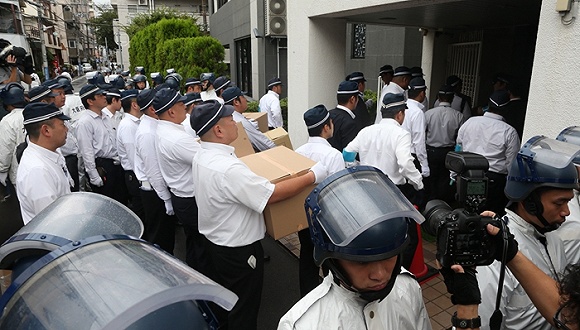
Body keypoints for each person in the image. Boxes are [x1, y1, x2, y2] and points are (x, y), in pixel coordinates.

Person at [190, 100, 328, 330]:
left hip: (217, 243)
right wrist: (312, 176)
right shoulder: (227, 167)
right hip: (238, 250)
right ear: (219, 130)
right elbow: (270, 194)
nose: (236, 123)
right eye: (230, 120)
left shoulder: (203, 154)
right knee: (244, 308)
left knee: (229, 303)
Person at [278, 167, 431, 329]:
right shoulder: (304, 325)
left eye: (388, 256)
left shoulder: (407, 287)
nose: (379, 275)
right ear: (333, 259)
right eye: (362, 263)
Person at [476, 136, 579, 330]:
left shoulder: (553, 238)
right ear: (528, 201)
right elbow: (481, 324)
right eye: (559, 203)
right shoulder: (495, 258)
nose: (567, 211)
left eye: (568, 201)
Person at [345, 92, 424, 271]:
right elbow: (405, 163)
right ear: (399, 114)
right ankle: (399, 274)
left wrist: (357, 168)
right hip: (393, 191)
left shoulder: (366, 131)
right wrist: (418, 183)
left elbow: (347, 153)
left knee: (376, 232)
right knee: (407, 238)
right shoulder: (401, 134)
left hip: (368, 188)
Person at [294, 104, 345, 297]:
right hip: (327, 219)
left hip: (303, 217)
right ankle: (331, 298)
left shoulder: (298, 151)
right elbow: (339, 193)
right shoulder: (334, 155)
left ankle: (307, 299)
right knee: (330, 260)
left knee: (307, 256)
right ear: (326, 127)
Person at [154, 87, 206, 272]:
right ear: (171, 111)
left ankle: (195, 278)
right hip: (191, 199)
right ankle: (205, 291)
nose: (185, 106)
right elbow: (207, 161)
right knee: (202, 248)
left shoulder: (165, 130)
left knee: (194, 243)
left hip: (181, 197)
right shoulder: (175, 138)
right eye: (181, 103)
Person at [457, 89, 520, 216]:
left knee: (467, 212)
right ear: (506, 109)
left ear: (488, 106)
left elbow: (459, 147)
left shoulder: (470, 122)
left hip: (468, 174)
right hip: (494, 180)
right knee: (490, 215)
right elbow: (511, 163)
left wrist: (454, 174)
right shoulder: (509, 131)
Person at [134, 88, 176, 254]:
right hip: (154, 192)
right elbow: (153, 170)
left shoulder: (153, 125)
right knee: (160, 238)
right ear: (152, 109)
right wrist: (166, 198)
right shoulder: (147, 132)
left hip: (157, 190)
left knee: (165, 236)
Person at [16, 102, 72, 224]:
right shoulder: (37, 171)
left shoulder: (49, 154)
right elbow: (53, 222)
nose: (66, 129)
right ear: (46, 130)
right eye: (62, 125)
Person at [76, 84, 124, 203]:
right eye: (100, 95)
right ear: (90, 101)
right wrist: (94, 175)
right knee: (108, 203)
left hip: (115, 164)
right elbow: (86, 151)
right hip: (102, 165)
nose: (104, 97)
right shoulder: (85, 122)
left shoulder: (105, 117)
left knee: (121, 199)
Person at [424, 84, 465, 202]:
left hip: (431, 150)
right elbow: (460, 138)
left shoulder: (428, 114)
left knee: (431, 177)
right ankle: (442, 202)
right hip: (448, 151)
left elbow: (422, 132)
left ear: (439, 98)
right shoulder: (459, 116)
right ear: (452, 98)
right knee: (445, 178)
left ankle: (430, 201)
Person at [116, 89, 144, 220]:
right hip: (135, 176)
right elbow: (134, 157)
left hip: (138, 175)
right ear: (134, 105)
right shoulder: (128, 125)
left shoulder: (135, 122)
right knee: (141, 212)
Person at [222, 86, 275, 152]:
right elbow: (263, 142)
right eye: (243, 97)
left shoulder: (228, 117)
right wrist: (280, 150)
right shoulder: (240, 122)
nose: (245, 100)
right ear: (236, 102)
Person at [0, 83, 27, 188]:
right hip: (40, 168)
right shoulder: (32, 113)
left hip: (19, 172)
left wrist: (2, 170)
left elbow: (6, 150)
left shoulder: (7, 121)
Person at [403, 77, 430, 181]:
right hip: (412, 157)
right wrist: (424, 164)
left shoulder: (401, 108)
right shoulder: (417, 112)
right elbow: (418, 141)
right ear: (422, 93)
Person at [327, 80, 360, 152]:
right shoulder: (350, 123)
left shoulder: (328, 115)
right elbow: (349, 152)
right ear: (353, 99)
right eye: (358, 98)